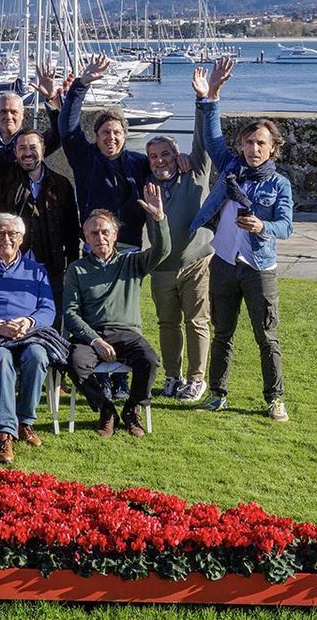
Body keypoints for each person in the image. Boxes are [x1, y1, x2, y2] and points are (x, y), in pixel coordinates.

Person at [189, 57, 294, 422]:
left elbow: (286, 225)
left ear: (272, 148)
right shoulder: (231, 167)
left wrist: (263, 228)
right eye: (248, 142)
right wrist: (212, 94)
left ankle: (274, 398)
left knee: (266, 337)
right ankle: (217, 393)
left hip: (258, 267)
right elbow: (212, 134)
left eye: (260, 143)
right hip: (223, 261)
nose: (253, 149)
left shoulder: (279, 184)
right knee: (223, 333)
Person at [63, 186, 170, 438]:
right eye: (93, 233)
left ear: (115, 234)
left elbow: (162, 251)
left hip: (126, 333)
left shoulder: (131, 262)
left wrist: (159, 219)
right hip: (91, 336)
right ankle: (106, 409)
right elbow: (70, 313)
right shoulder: (77, 270)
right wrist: (95, 340)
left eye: (105, 232)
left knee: (149, 360)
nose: (100, 237)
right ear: (86, 237)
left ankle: (132, 409)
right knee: (75, 363)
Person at [0, 214, 62, 464]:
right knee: (0, 357)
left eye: (12, 234)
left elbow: (48, 310)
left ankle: (24, 422)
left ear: (21, 238)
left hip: (28, 332)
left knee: (37, 356)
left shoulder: (37, 271)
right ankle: (4, 433)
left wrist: (27, 322)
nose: (5, 238)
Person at [146, 70, 215, 403]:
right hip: (161, 267)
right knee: (167, 323)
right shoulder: (146, 184)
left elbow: (202, 138)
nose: (160, 161)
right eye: (154, 157)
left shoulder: (196, 171)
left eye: (166, 154)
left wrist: (202, 99)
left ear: (177, 156)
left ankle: (196, 378)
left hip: (196, 263)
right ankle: (173, 376)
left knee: (197, 322)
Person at [0, 127, 80, 320]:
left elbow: (71, 230)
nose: (27, 153)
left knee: (53, 321)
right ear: (15, 152)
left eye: (33, 147)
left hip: (52, 265)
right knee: (15, 320)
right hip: (14, 266)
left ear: (43, 149)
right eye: (22, 148)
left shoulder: (61, 184)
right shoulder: (5, 183)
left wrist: (72, 266)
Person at [0, 67, 64, 260]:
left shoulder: (29, 143)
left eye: (13, 112)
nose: (8, 116)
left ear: (22, 115)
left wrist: (52, 98)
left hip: (20, 218)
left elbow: (58, 135)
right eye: (3, 111)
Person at [59, 54, 150, 249]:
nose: (111, 137)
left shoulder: (140, 162)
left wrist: (180, 159)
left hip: (130, 242)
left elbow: (164, 169)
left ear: (124, 135)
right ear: (96, 136)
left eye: (117, 132)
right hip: (94, 241)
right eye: (105, 132)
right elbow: (67, 127)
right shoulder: (85, 158)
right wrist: (81, 84)